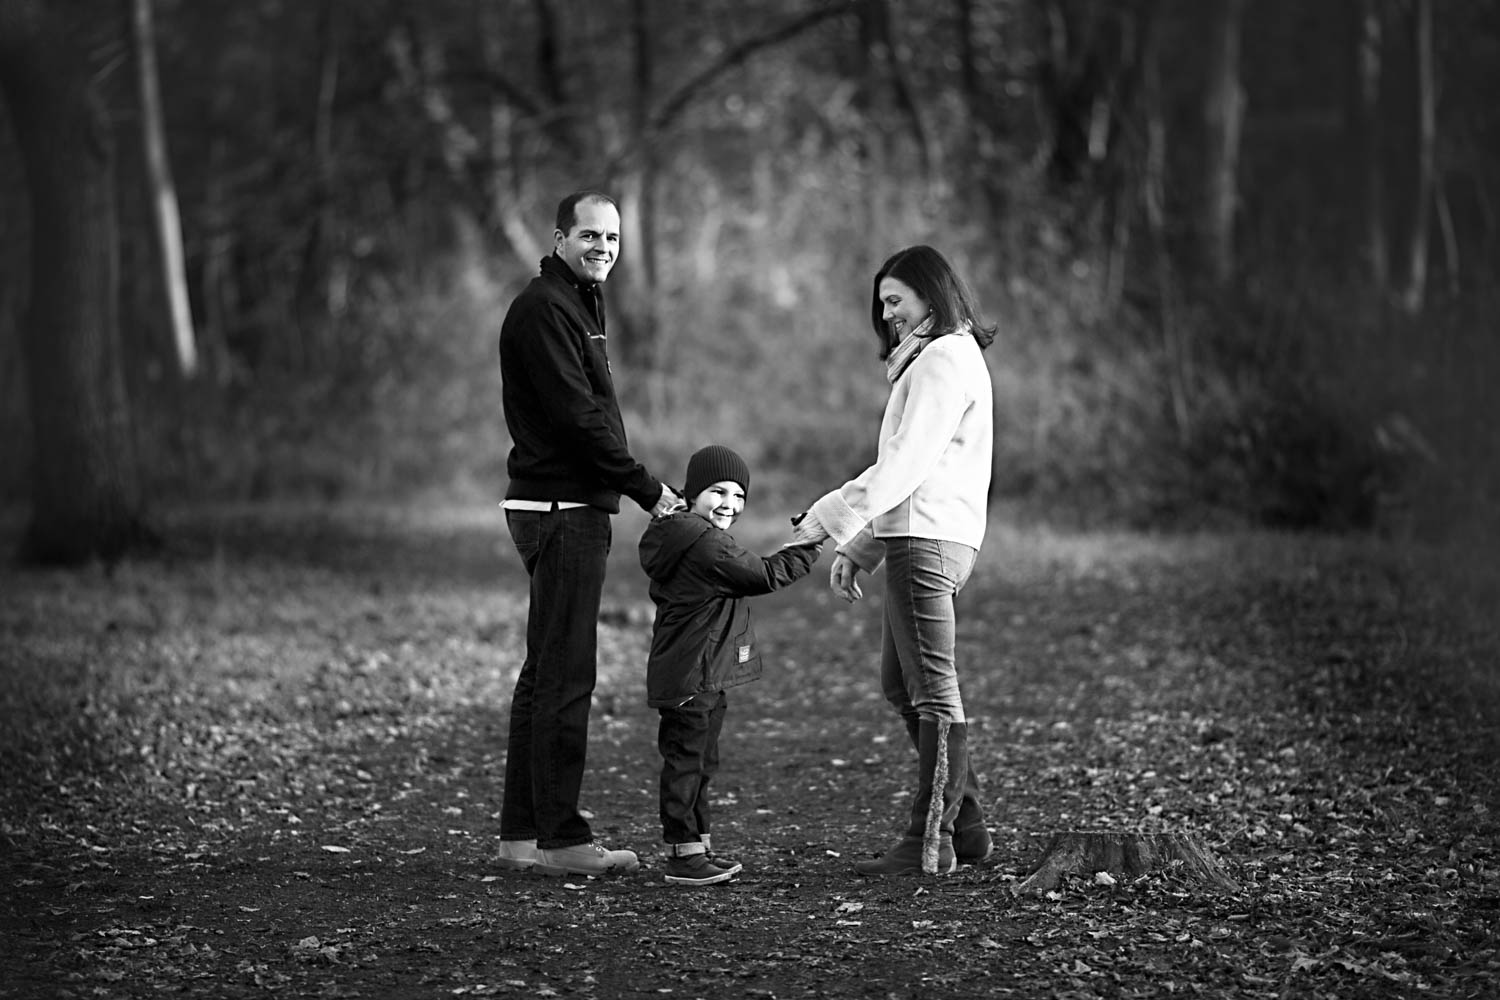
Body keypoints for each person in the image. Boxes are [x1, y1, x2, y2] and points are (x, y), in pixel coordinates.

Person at [494, 190, 685, 877]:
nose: (603, 246)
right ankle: (564, 840)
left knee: (544, 671)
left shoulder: (576, 302)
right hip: (561, 510)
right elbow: (581, 420)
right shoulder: (547, 310)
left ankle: (522, 834)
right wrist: (649, 490)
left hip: (563, 506)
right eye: (590, 235)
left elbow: (590, 415)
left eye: (611, 237)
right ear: (558, 238)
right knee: (566, 674)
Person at [793, 245, 996, 875]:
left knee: (932, 688)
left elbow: (905, 467)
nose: (887, 316)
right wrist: (861, 547)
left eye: (895, 301)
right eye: (881, 305)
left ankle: (925, 841)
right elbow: (919, 477)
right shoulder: (940, 358)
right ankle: (966, 828)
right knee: (899, 683)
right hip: (926, 537)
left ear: (932, 296)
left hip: (927, 544)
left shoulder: (941, 360)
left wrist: (830, 518)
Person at [639, 445, 822, 886]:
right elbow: (762, 575)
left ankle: (698, 845)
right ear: (693, 493)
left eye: (739, 496)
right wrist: (811, 542)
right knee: (686, 762)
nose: (730, 504)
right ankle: (683, 854)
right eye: (718, 492)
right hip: (691, 674)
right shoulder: (702, 541)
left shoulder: (687, 533)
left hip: (703, 672)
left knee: (702, 761)